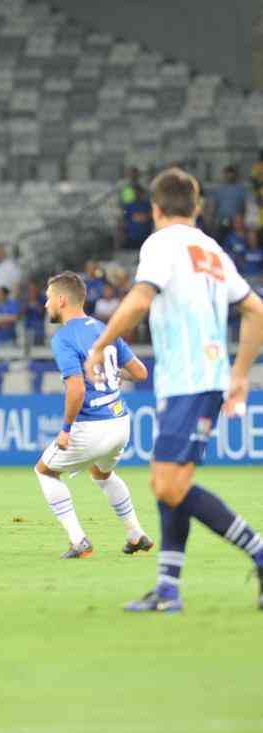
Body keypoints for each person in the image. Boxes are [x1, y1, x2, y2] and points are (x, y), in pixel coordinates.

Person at [85, 167, 263, 612]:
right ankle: (168, 589)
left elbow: (142, 299)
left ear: (155, 209)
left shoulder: (161, 244)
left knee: (168, 485)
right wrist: (239, 373)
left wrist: (101, 344)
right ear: (197, 207)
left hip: (190, 382)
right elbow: (255, 309)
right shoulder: (212, 249)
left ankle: (258, 552)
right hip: (199, 380)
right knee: (169, 483)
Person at [35, 272, 151, 559]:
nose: (46, 304)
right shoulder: (103, 327)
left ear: (61, 300)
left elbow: (76, 389)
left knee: (45, 471)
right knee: (102, 472)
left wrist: (65, 428)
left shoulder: (63, 338)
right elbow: (140, 373)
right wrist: (111, 373)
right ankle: (135, 534)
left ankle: (79, 541)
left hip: (92, 426)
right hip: (120, 421)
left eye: (48, 298)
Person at [22, 281, 47, 346]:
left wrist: (34, 302)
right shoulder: (26, 299)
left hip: (39, 329)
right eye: (30, 290)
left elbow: (41, 312)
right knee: (28, 348)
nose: (32, 291)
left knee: (39, 348)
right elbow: (22, 312)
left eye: (34, 289)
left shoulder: (42, 299)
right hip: (28, 328)